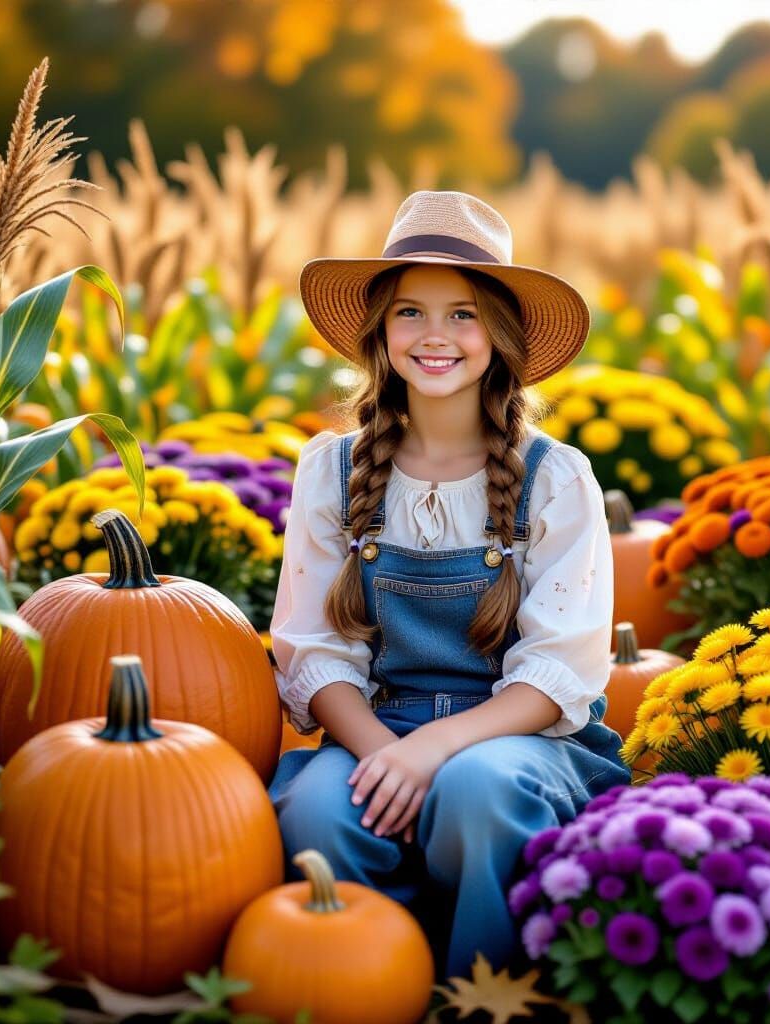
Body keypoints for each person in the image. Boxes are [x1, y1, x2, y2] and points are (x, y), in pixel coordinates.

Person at [268, 190, 629, 977]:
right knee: (321, 810)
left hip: (517, 740)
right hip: (377, 722)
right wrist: (380, 752)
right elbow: (310, 647)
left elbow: (561, 668)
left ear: (499, 336)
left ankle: (482, 983)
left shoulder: (554, 478)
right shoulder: (330, 471)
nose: (436, 336)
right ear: (380, 333)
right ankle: (375, 980)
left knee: (477, 792)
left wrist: (436, 746)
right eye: (410, 313)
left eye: (464, 314)